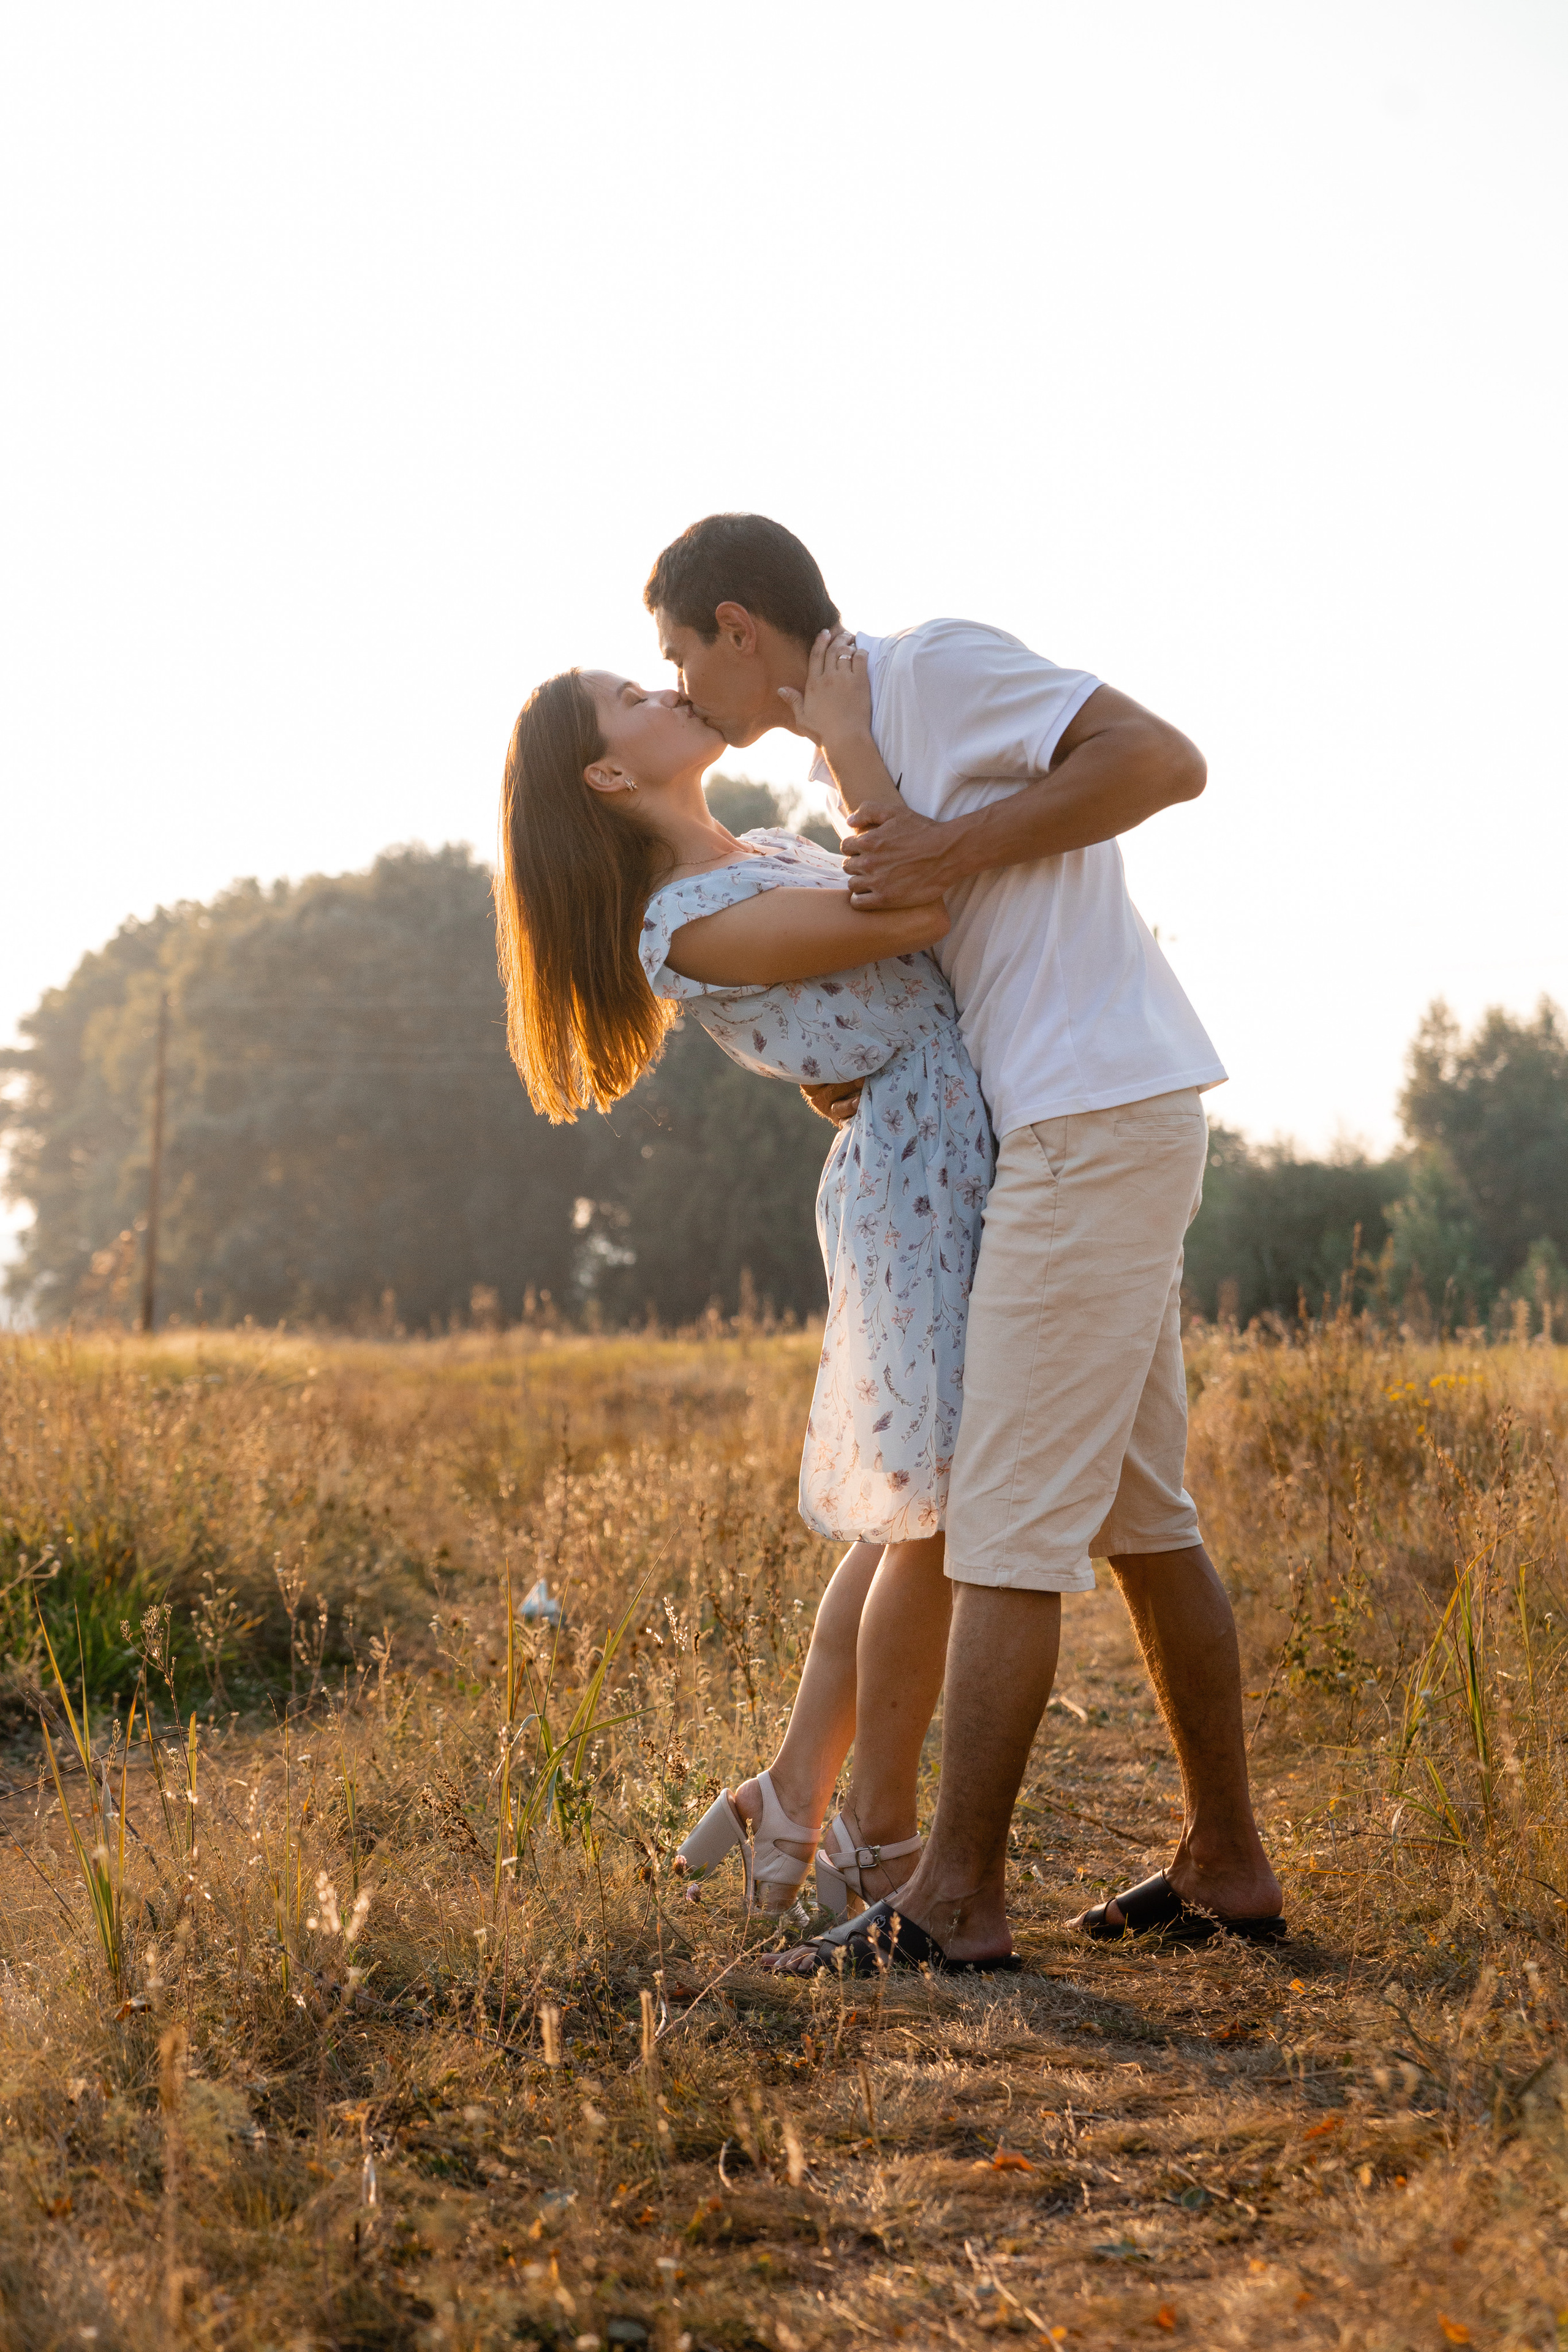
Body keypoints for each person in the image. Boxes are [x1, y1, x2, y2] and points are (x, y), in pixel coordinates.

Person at [643, 513, 1285, 1973]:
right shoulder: (847, 748)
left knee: (998, 1531)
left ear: (738, 626)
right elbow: (935, 938)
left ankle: (952, 1900)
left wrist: (947, 841)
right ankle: (1226, 1863)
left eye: (679, 654)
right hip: (1069, 1120)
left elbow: (1161, 761)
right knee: (1142, 1521)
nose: (680, 687)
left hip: (1085, 1118)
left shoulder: (925, 670)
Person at [494, 629, 992, 1921]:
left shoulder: (757, 850)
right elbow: (918, 912)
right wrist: (848, 739)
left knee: (917, 1515)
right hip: (916, 1179)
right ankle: (867, 1832)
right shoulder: (683, 923)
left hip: (942, 1142)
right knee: (934, 1518)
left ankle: (790, 1792)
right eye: (630, 695)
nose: (663, 688)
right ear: (608, 776)